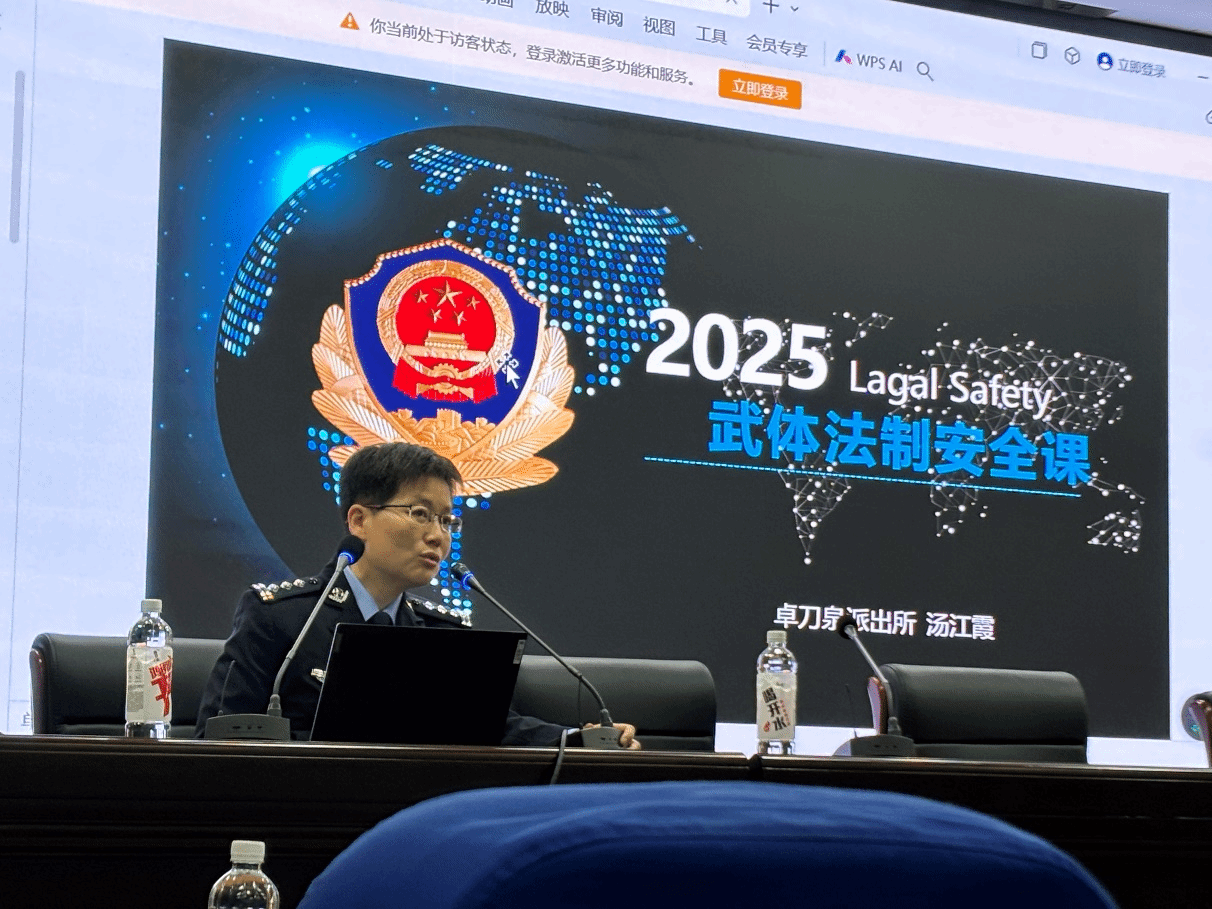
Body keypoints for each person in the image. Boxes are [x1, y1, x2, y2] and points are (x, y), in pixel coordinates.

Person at [196, 441, 640, 748]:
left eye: (447, 521)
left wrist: (579, 740)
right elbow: (217, 738)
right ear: (359, 520)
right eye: (420, 513)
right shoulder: (281, 619)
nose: (438, 536)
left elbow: (495, 728)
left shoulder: (443, 635)